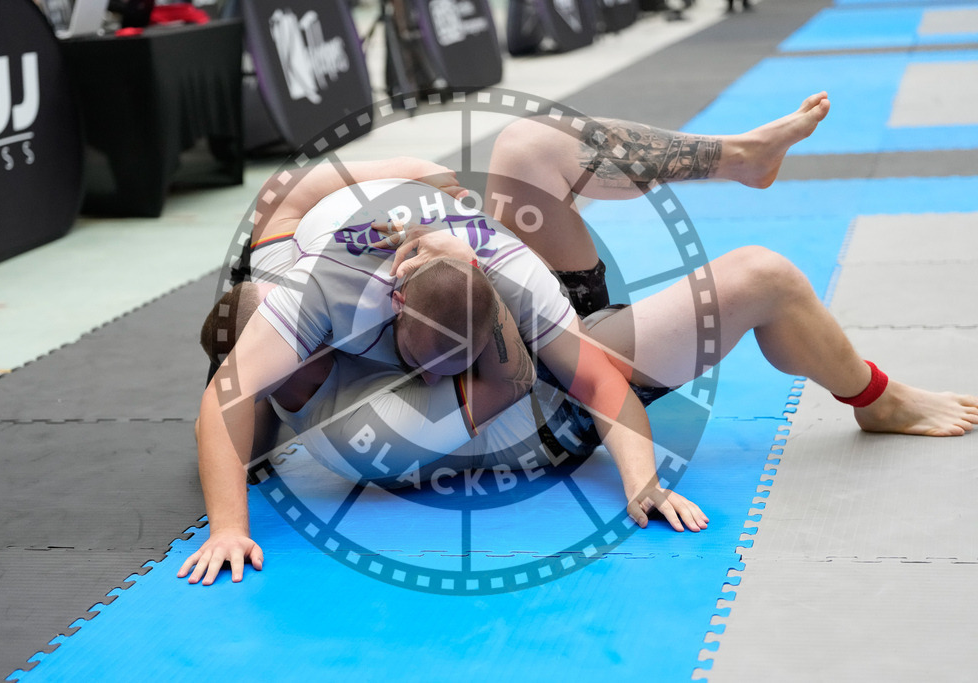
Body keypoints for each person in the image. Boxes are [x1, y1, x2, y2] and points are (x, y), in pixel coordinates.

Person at [179, 93, 978, 586]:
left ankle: (741, 160)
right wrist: (229, 525)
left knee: (528, 145)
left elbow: (594, 376)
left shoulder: (499, 265)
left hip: (534, 332)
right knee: (761, 273)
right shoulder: (305, 284)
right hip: (515, 390)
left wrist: (642, 481)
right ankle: (878, 394)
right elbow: (228, 397)